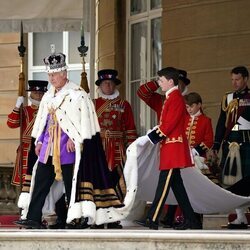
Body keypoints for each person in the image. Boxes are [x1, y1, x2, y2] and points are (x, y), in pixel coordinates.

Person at [135, 67, 202, 230]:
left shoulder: (176, 98)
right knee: (177, 187)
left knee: (163, 185)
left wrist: (149, 138)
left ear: (170, 81)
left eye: (161, 80)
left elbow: (168, 124)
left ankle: (152, 218)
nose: (159, 83)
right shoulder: (171, 97)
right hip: (170, 148)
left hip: (174, 148)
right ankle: (192, 220)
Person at [92, 69, 137, 229]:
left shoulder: (124, 105)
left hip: (117, 151)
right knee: (98, 185)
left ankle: (113, 219)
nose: (109, 86)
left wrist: (131, 152)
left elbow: (131, 130)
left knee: (116, 185)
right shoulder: (93, 104)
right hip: (98, 150)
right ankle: (98, 218)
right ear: (100, 85)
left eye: (111, 83)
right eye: (105, 83)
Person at [212, 66, 250, 229]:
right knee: (233, 181)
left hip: (247, 143)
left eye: (238, 79)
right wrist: (216, 145)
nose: (234, 83)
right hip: (230, 144)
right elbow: (222, 124)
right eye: (232, 79)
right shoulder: (226, 98)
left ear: (246, 79)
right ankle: (240, 217)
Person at [7, 80, 48, 186]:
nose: (38, 96)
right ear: (31, 94)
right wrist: (17, 106)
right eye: (35, 93)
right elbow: (11, 124)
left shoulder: (48, 110)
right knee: (26, 184)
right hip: (27, 149)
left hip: (44, 147)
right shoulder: (25, 110)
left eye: (41, 93)